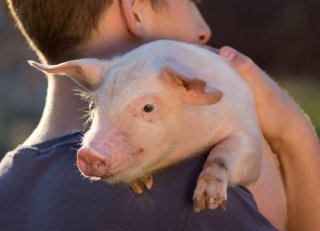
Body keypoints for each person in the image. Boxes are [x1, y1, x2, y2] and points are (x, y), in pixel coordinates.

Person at [0, 0, 319, 230]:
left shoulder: (7, 186)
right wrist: (293, 133)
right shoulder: (200, 193)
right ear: (134, 9)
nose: (204, 30)